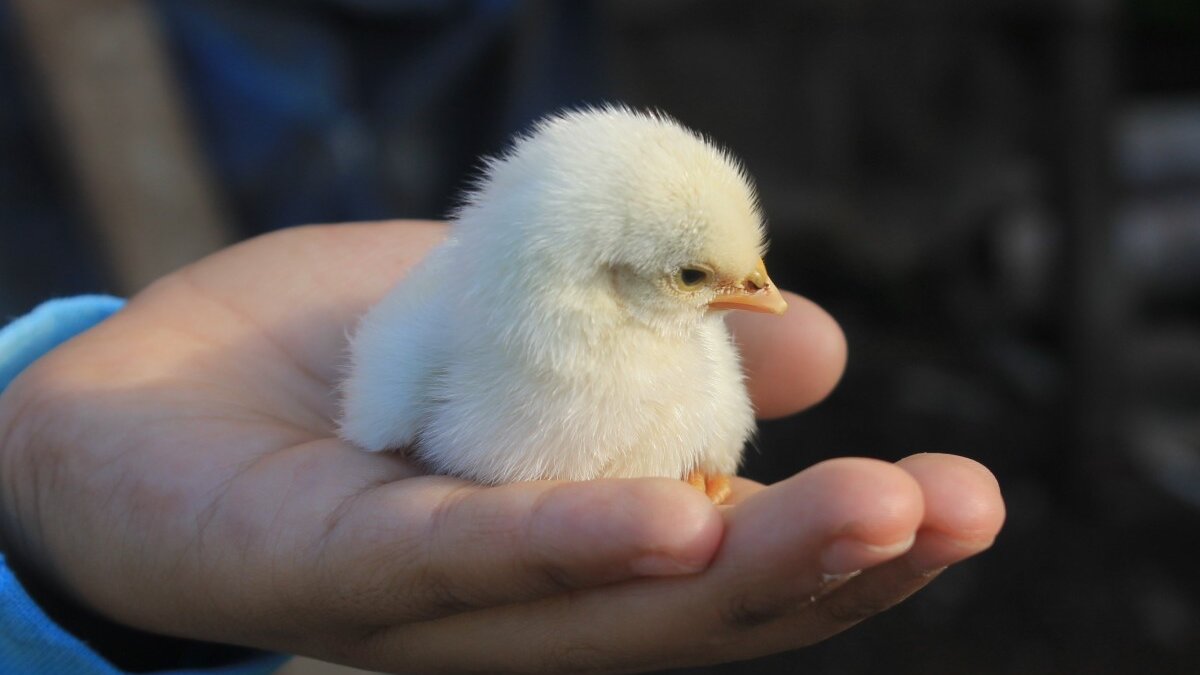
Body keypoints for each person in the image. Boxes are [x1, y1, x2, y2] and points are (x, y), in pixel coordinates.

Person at [0, 221, 1005, 673]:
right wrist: (33, 474)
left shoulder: (690, 354)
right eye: (708, 276)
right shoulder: (450, 332)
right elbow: (384, 416)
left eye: (748, 274)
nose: (756, 300)